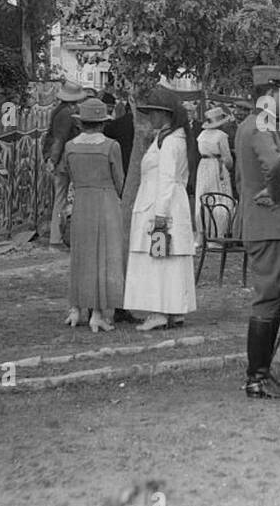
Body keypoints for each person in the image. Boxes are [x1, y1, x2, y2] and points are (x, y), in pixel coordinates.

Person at [235, 65, 280, 399]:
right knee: (268, 298)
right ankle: (257, 378)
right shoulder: (260, 124)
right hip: (269, 223)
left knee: (277, 297)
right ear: (272, 94)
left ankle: (262, 373)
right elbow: (273, 165)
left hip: (266, 223)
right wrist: (274, 194)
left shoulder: (253, 123)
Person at [123, 87, 196, 332]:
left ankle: (159, 311)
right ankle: (173, 309)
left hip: (161, 204)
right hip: (166, 202)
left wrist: (161, 215)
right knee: (167, 257)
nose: (151, 117)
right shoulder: (168, 138)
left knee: (159, 258)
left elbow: (166, 179)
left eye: (154, 113)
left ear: (165, 115)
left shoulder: (170, 143)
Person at [61, 98, 125, 333]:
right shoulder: (111, 146)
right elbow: (119, 180)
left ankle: (75, 309)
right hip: (105, 201)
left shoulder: (70, 147)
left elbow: (66, 174)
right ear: (102, 123)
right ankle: (97, 313)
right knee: (102, 256)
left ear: (81, 123)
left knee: (80, 255)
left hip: (81, 201)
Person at [44, 81, 87, 247]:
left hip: (60, 160)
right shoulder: (68, 114)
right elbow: (60, 139)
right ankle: (63, 236)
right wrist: (53, 160)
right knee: (67, 197)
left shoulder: (58, 111)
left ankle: (56, 236)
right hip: (67, 161)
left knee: (60, 197)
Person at [193, 105, 235, 248]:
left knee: (203, 198)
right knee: (220, 198)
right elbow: (227, 158)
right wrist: (228, 166)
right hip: (217, 166)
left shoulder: (202, 136)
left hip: (203, 166)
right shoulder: (221, 136)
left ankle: (201, 233)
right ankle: (217, 235)